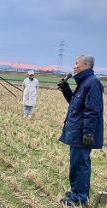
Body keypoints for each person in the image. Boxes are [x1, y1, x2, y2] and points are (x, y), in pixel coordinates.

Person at [58, 55, 104, 206]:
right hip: (77, 131)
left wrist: (88, 132)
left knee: (80, 165)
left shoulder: (92, 83)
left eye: (76, 63)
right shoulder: (84, 82)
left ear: (86, 65)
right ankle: (78, 191)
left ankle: (79, 198)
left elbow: (92, 110)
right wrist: (65, 89)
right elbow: (75, 103)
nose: (74, 66)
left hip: (81, 133)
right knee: (78, 164)